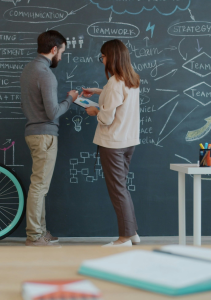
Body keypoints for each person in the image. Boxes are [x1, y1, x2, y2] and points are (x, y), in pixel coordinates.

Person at [20, 30, 79, 247]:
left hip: (33, 133)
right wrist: (70, 99)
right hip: (45, 135)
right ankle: (35, 235)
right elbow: (53, 112)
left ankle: (41, 232)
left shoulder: (28, 70)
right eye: (61, 52)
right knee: (39, 187)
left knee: (39, 185)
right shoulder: (46, 74)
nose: (61, 57)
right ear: (54, 49)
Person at [82, 39, 141, 247]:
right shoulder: (131, 79)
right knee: (122, 188)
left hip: (113, 143)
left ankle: (124, 238)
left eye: (103, 56)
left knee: (117, 190)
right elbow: (117, 99)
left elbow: (106, 118)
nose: (102, 60)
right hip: (128, 141)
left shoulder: (115, 83)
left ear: (112, 57)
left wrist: (94, 111)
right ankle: (132, 233)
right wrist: (98, 92)